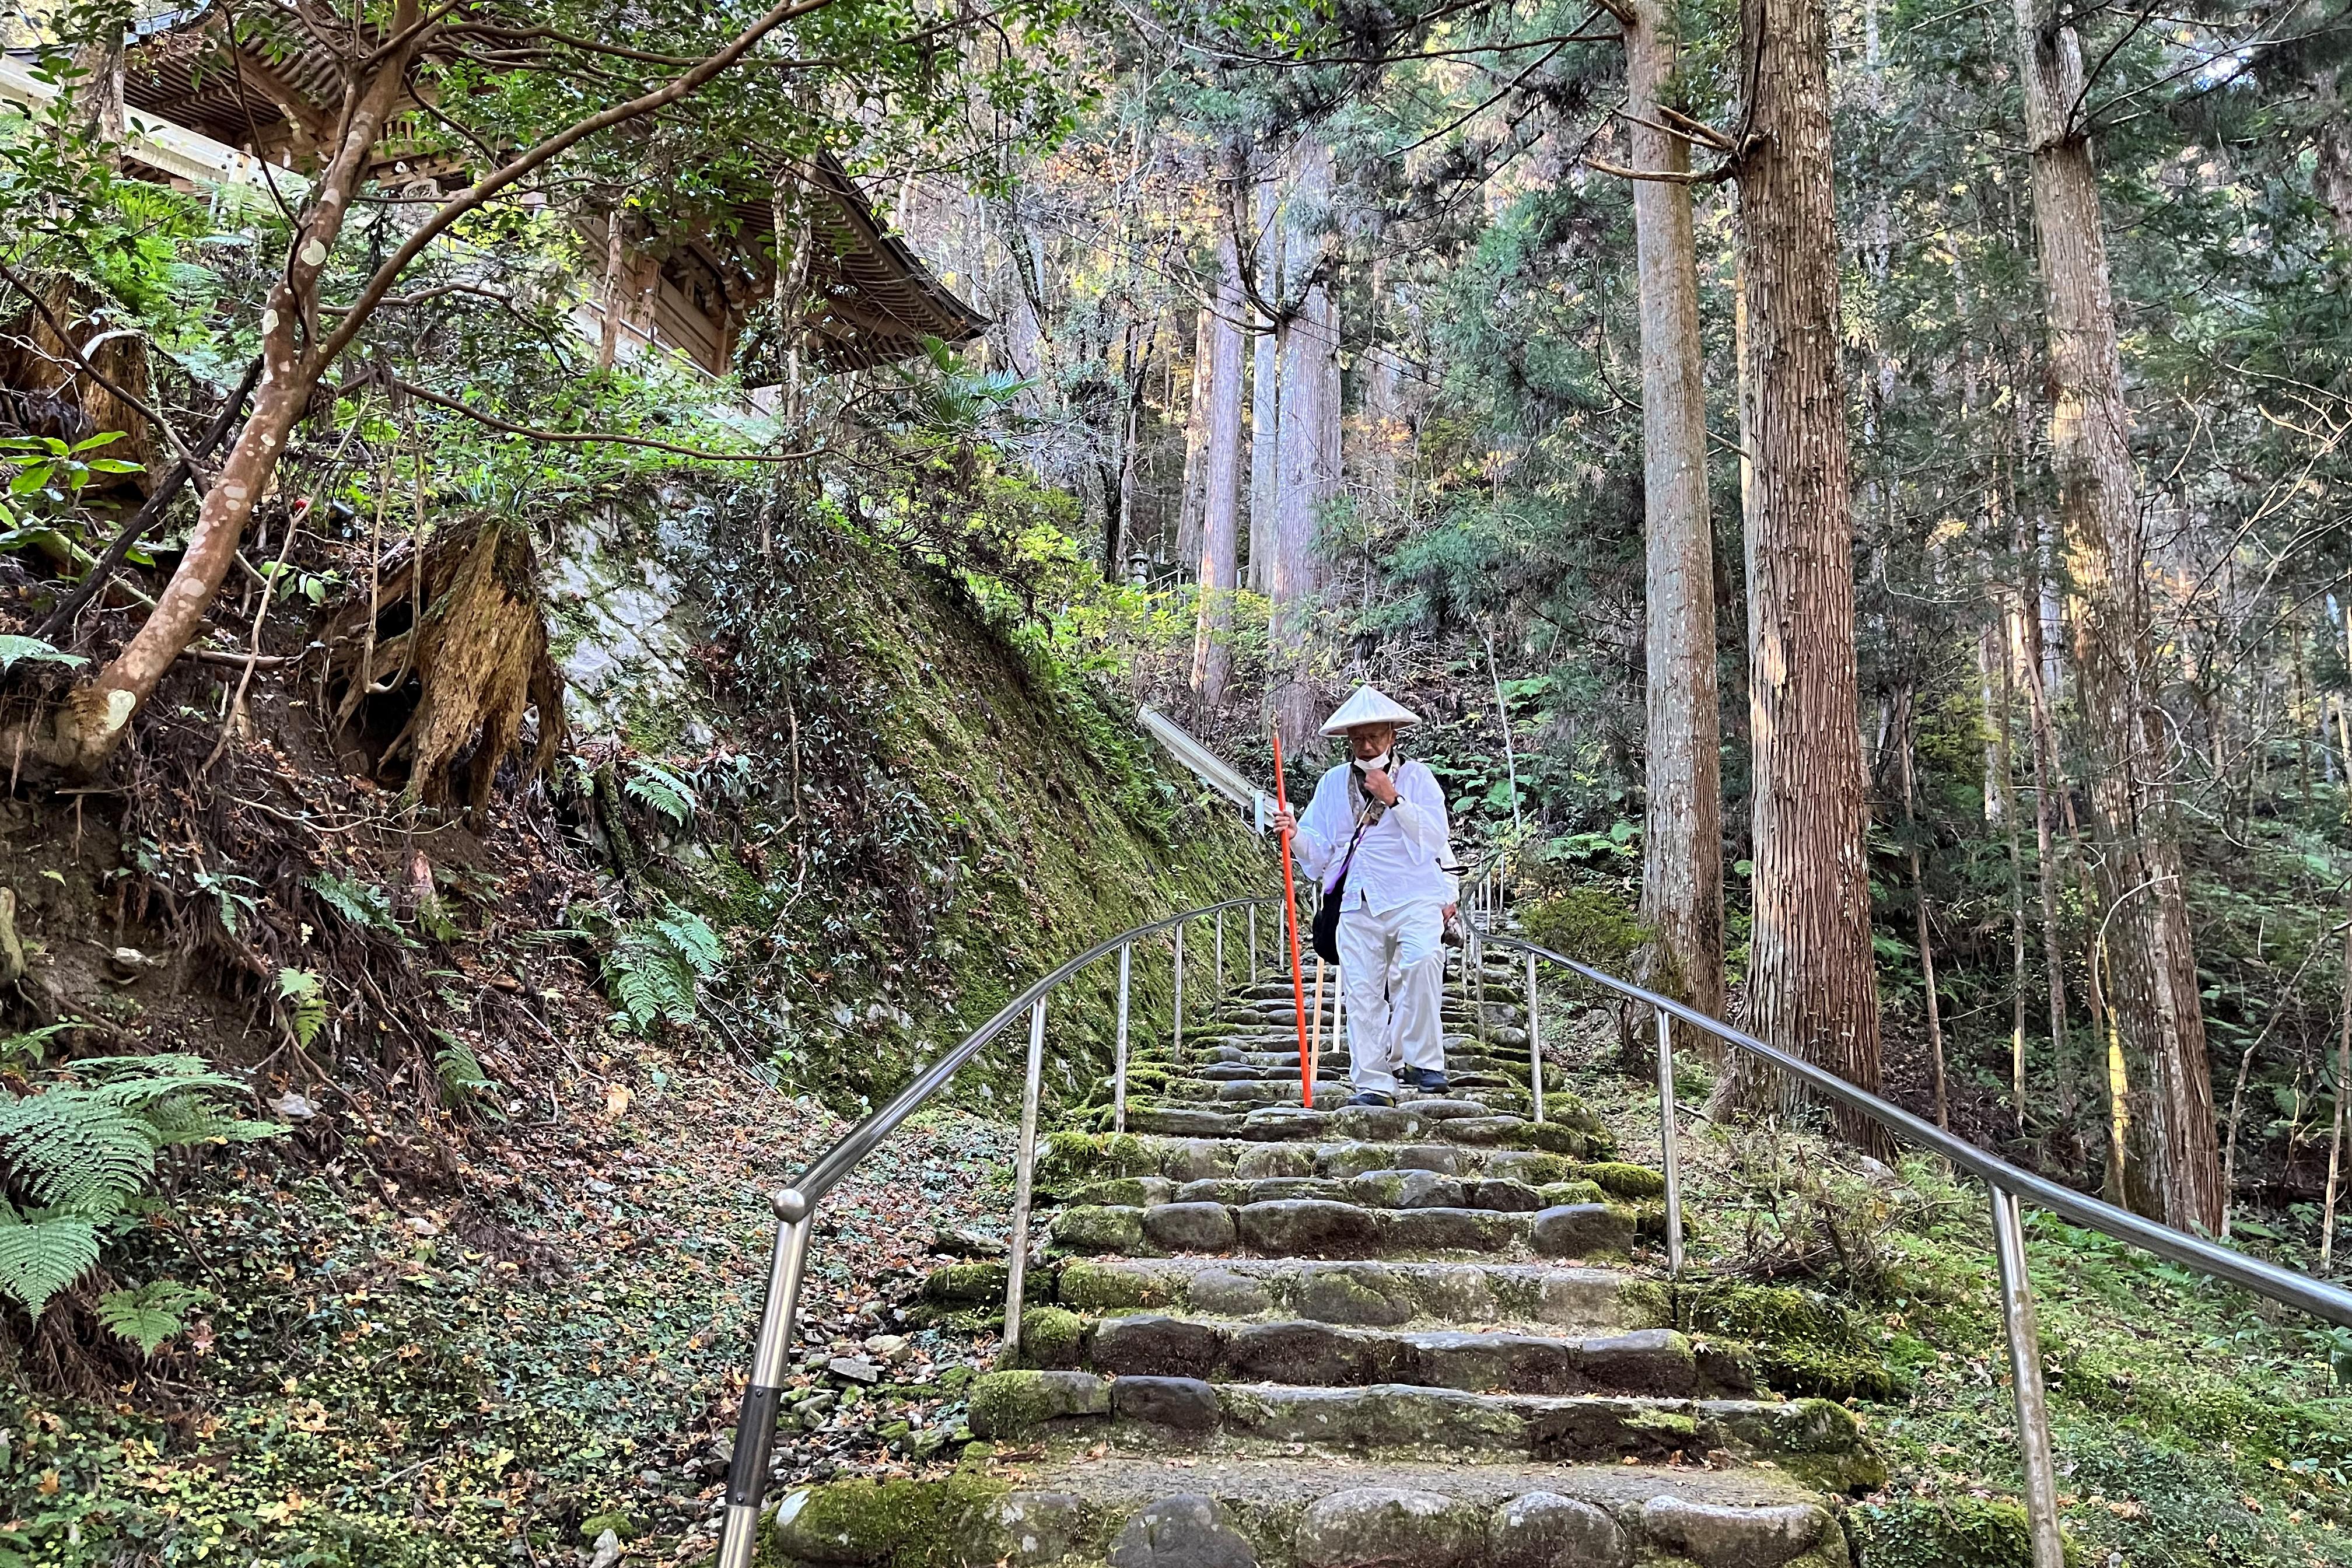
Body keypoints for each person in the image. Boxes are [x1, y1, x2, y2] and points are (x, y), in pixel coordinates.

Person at [1268, 685, 1458, 1107]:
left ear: (1393, 734)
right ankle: (1373, 1081)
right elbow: (1322, 851)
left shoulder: (1418, 778)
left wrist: (1394, 798)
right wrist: (1296, 835)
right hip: (1357, 898)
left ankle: (1424, 1059)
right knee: (1362, 990)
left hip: (1414, 893)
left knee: (1424, 961)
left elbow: (1434, 838)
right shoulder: (1333, 783)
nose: (1368, 745)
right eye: (1359, 738)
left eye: (1375, 736)